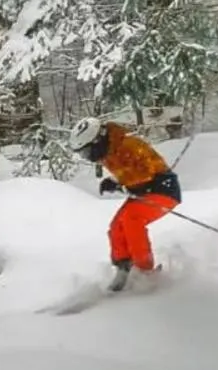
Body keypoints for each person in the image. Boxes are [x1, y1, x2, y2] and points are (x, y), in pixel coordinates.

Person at [68, 117, 182, 290]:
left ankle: (145, 271)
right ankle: (124, 267)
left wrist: (118, 182)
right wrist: (116, 181)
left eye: (87, 152)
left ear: (97, 140)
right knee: (117, 226)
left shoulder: (128, 144)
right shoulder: (109, 151)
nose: (88, 157)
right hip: (143, 192)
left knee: (131, 219)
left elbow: (145, 173)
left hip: (163, 189)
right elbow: (128, 174)